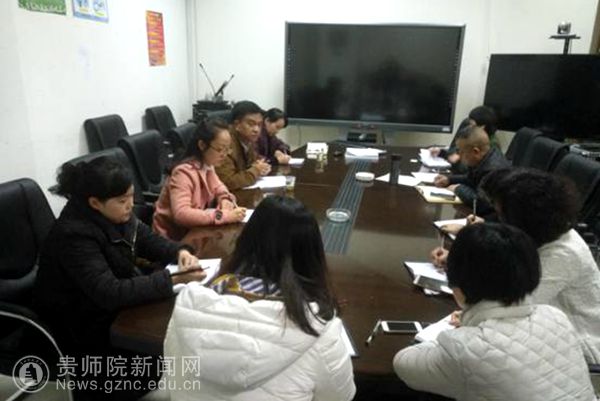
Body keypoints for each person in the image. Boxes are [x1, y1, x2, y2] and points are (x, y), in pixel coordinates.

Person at [34, 157, 206, 399]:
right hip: (79, 323)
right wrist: (173, 280)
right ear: (95, 202)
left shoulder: (115, 214)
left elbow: (148, 239)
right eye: (122, 201)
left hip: (108, 307)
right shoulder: (73, 235)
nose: (130, 205)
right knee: (157, 352)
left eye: (131, 196)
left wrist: (180, 252)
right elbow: (109, 292)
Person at [164, 195, 356, 401]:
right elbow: (340, 397)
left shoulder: (188, 306)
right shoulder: (318, 327)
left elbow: (174, 379)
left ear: (245, 239)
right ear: (311, 256)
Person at [395, 223, 595, 401]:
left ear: (458, 287)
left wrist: (458, 332)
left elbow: (403, 362)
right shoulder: (555, 316)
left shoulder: (466, 349)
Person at [431, 168, 600, 364]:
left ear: (524, 220)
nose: (500, 221)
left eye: (502, 216)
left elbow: (512, 306)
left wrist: (472, 310)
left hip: (580, 348)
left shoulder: (564, 254)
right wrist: (460, 261)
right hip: (545, 332)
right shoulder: (545, 235)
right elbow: (507, 265)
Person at [153, 118, 247, 241]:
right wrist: (223, 216)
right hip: (173, 240)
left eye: (227, 149)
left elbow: (220, 188)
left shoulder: (207, 164)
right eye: (220, 149)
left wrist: (225, 199)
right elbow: (181, 214)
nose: (225, 155)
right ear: (202, 145)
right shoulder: (183, 173)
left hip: (196, 232)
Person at [433, 124, 509, 215]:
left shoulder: (493, 171)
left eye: (461, 151)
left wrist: (458, 188)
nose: (459, 155)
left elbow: (482, 204)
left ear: (475, 152)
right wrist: (449, 179)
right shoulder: (485, 157)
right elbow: (471, 178)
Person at [215, 100, 271, 190]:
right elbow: (228, 181)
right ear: (237, 125)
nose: (256, 130)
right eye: (251, 124)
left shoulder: (248, 139)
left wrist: (261, 165)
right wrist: (255, 171)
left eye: (260, 125)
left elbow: (253, 161)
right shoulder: (225, 143)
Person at [429, 106, 499, 174]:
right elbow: (454, 151)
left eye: (472, 125)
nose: (469, 127)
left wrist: (456, 160)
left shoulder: (490, 146)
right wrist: (442, 153)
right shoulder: (472, 136)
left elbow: (468, 171)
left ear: (482, 127)